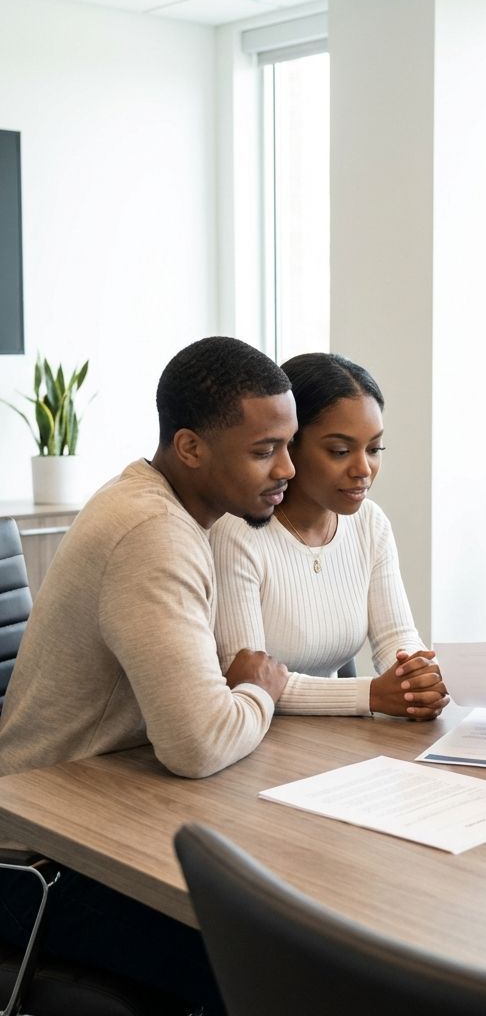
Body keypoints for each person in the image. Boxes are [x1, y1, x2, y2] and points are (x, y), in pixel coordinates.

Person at [0, 336, 301, 1012]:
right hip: (38, 868)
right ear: (191, 448)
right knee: (269, 958)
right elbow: (196, 745)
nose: (288, 467)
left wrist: (243, 688)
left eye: (288, 444)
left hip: (90, 811)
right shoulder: (153, 533)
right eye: (263, 451)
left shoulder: (169, 506)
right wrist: (259, 691)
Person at [210, 352, 447, 720]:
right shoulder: (237, 533)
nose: (363, 469)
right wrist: (371, 694)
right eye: (340, 451)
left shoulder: (370, 522)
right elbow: (247, 678)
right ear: (289, 445)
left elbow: (395, 637)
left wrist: (416, 676)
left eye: (374, 449)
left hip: (332, 737)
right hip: (256, 739)